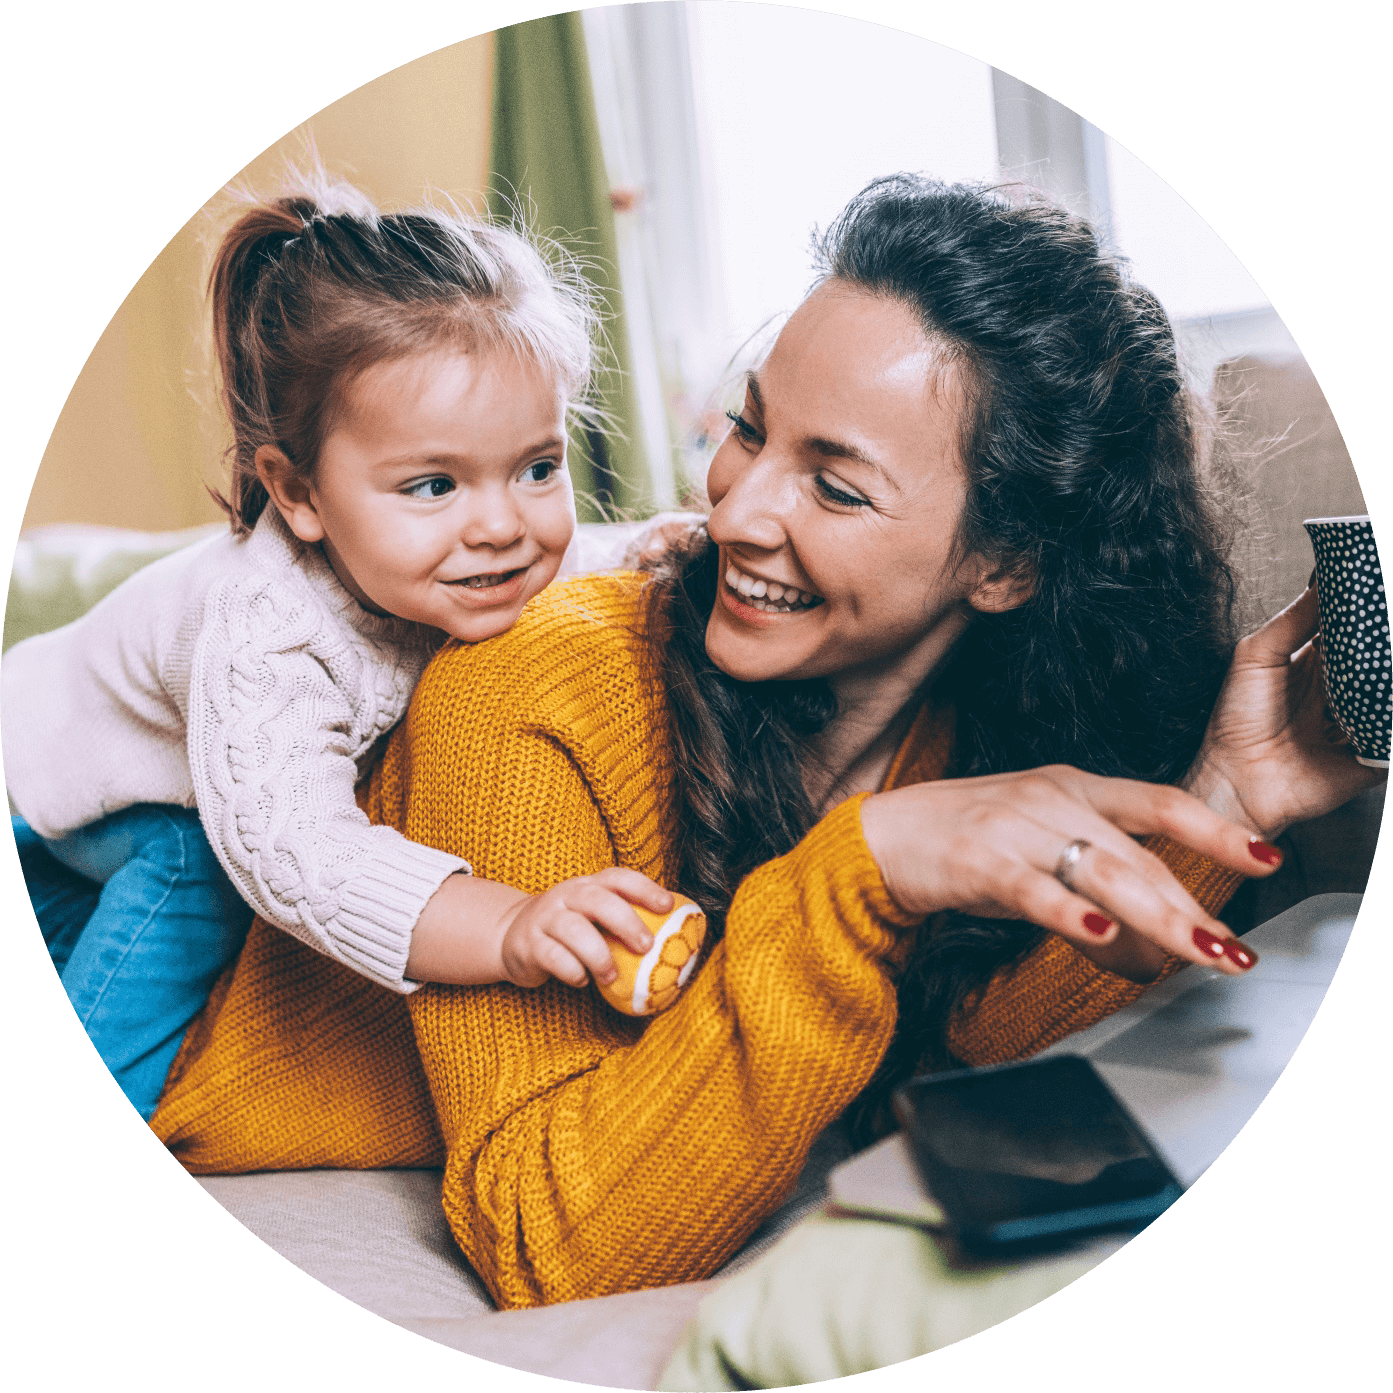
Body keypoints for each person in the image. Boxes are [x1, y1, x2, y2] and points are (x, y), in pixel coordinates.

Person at [149, 176, 1381, 1307]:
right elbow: (542, 1235)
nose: (732, 508)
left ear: (1003, 564)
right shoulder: (522, 686)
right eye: (749, 428)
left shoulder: (957, 721)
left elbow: (968, 1050)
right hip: (194, 1084)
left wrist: (1225, 798)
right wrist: (857, 878)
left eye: (835, 486)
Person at [4, 177, 688, 1123]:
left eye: (538, 467)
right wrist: (508, 924)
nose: (502, 525)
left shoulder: (489, 553)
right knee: (196, 875)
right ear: (298, 494)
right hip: (55, 794)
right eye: (433, 485)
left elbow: (587, 554)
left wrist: (670, 544)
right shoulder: (268, 630)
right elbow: (298, 857)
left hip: (117, 796)